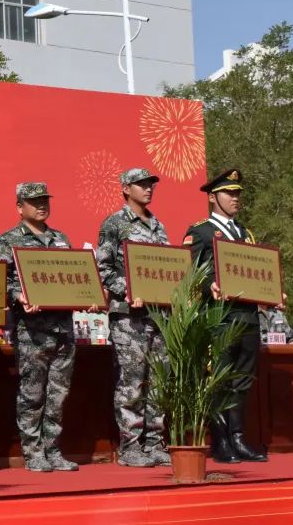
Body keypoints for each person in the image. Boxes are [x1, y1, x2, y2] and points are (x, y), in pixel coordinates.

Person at [0, 182, 90, 472]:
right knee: (32, 394)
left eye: (45, 200)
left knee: (59, 395)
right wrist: (18, 295)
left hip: (64, 328)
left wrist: (87, 295)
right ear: (19, 207)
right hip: (32, 330)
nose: (42, 206)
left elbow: (72, 277)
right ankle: (33, 452)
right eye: (34, 201)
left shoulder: (60, 239)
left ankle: (53, 450)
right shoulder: (8, 241)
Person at [183, 168, 280, 463]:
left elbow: (255, 272)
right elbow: (189, 272)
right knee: (219, 378)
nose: (235, 198)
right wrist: (208, 284)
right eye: (229, 193)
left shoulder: (245, 233)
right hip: (219, 316)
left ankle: (238, 438)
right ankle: (221, 441)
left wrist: (273, 293)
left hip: (248, 316)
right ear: (213, 197)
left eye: (237, 193)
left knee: (242, 379)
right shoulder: (199, 232)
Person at [94, 168, 171, 468]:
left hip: (158, 315)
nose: (148, 189)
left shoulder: (158, 226)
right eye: (141, 184)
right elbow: (103, 269)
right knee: (132, 382)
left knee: (158, 381)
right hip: (129, 317)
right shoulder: (114, 223)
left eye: (151, 184)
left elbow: (166, 268)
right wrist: (128, 289)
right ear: (126, 188)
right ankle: (130, 447)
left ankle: (154, 443)